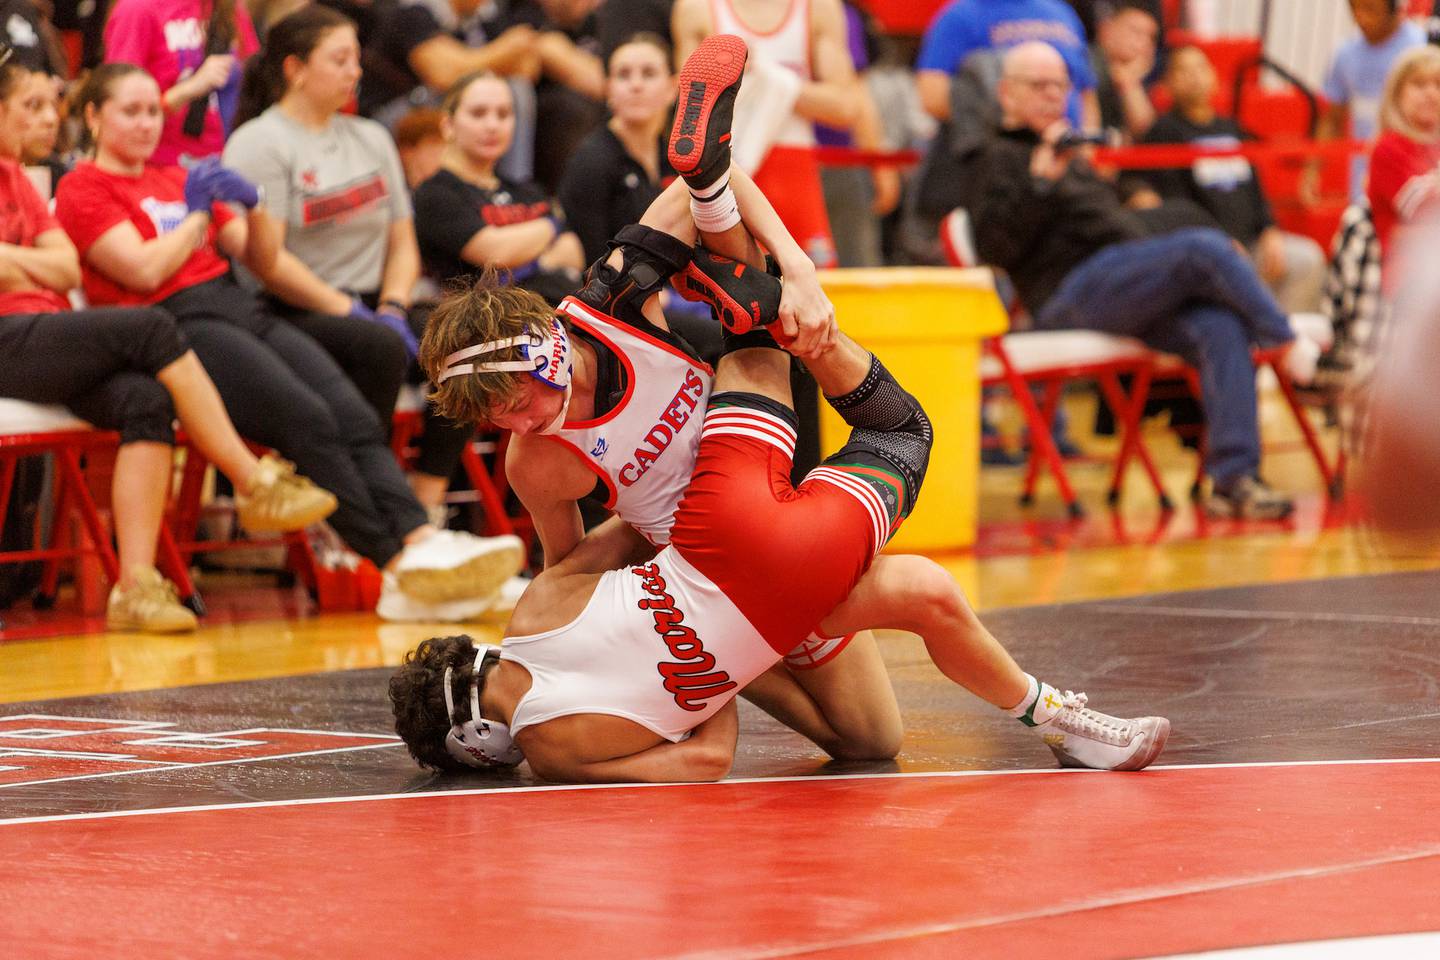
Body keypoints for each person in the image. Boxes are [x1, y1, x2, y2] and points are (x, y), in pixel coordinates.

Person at [389, 125, 1171, 779]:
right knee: (872, 738)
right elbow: (581, 571)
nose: (521, 422)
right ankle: (756, 307)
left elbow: (591, 588)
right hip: (722, 549)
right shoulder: (536, 466)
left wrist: (800, 274)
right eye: (498, 420)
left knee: (760, 328)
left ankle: (762, 304)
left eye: (515, 397)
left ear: (543, 349)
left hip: (743, 490)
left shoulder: (606, 303)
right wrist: (683, 637)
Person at [53, 61, 526, 620]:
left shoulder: (170, 176)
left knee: (348, 411)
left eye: (153, 110)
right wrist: (198, 215)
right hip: (175, 325)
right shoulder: (83, 186)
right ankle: (394, 562)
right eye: (129, 111)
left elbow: (247, 249)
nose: (145, 123)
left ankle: (421, 537)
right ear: (93, 115)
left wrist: (251, 207)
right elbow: (142, 271)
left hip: (235, 304)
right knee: (307, 419)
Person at [0, 58, 335, 633]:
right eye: (29, 106)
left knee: (144, 400)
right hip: (10, 338)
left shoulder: (14, 178)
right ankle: (253, 479)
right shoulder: (66, 182)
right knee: (151, 327)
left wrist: (17, 264)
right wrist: (35, 268)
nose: (46, 117)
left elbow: (61, 268)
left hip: (44, 334)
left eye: (47, 104)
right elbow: (56, 266)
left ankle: (134, 588)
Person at [971, 42, 1324, 520]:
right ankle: (1284, 342)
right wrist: (1040, 184)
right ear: (1006, 94)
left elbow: (1114, 220)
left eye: (1060, 85)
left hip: (1125, 278)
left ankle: (1234, 479)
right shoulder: (995, 157)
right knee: (1201, 248)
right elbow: (993, 252)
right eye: (1039, 85)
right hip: (1068, 291)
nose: (1053, 95)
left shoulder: (1072, 150)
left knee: (1220, 326)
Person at [225, 6, 419, 431]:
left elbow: (404, 241)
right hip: (295, 308)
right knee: (379, 348)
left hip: (373, 302)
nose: (355, 71)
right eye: (340, 60)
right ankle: (368, 480)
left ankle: (432, 487)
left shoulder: (372, 136)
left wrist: (392, 306)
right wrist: (346, 309)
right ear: (295, 69)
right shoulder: (259, 142)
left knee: (467, 339)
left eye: (356, 59)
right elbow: (267, 262)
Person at [672, 0, 863, 270]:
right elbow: (688, 106)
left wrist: (768, 76)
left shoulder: (819, 8)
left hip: (793, 172)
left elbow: (845, 107)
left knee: (814, 290)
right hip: (730, 169)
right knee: (732, 287)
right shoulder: (696, 8)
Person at [1142, 45, 1326, 313]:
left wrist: (1269, 230)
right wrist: (1219, 243)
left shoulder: (1231, 128)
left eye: (1201, 68)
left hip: (1251, 242)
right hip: (1209, 248)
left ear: (1214, 78)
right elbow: (1177, 203)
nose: (1194, 76)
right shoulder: (1165, 131)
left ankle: (1282, 345)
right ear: (1167, 84)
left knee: (1307, 259)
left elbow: (1255, 188)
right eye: (1183, 70)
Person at [413, 72, 584, 304]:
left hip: (553, 316)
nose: (492, 125)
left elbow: (573, 252)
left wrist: (524, 264)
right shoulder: (435, 193)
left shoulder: (527, 191)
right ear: (448, 125)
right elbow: (496, 253)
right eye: (478, 113)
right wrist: (551, 226)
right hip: (485, 326)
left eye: (503, 114)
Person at [557, 32, 677, 266]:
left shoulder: (676, 156)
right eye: (623, 75)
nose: (636, 85)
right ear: (608, 89)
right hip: (614, 293)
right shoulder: (591, 162)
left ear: (673, 88)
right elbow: (592, 263)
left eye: (649, 74)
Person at [103, 0, 259, 166]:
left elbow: (255, 82)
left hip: (224, 160)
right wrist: (190, 88)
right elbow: (118, 108)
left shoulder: (228, 7)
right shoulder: (137, 9)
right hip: (160, 164)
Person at [1303, 0, 1426, 206]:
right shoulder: (1345, 54)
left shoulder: (1421, 48)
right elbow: (1332, 120)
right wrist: (1313, 169)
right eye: (1354, 8)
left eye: (1370, 9)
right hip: (1362, 187)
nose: (1361, 17)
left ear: (1394, 8)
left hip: (1413, 184)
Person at [914, 0, 1099, 130]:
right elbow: (932, 95)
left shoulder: (1062, 12)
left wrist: (1086, 150)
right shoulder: (961, 15)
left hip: (1066, 157)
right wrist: (1009, 126)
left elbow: (1085, 92)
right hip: (998, 161)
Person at [1365, 44, 1440, 284]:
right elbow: (1425, 209)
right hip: (1410, 283)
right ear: (1396, 93)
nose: (1431, 94)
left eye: (1439, 85)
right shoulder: (1389, 148)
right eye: (1419, 84)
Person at [1089, 0, 1159, 141]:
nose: (1145, 43)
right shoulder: (1086, 63)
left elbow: (1144, 130)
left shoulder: (1134, 73)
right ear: (1106, 31)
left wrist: (1130, 82)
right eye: (1136, 32)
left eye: (1151, 37)